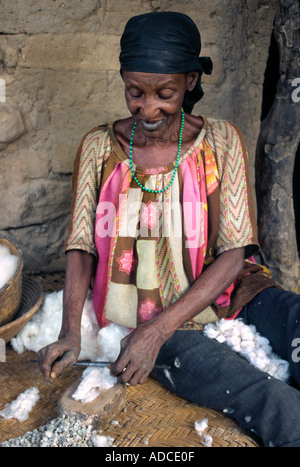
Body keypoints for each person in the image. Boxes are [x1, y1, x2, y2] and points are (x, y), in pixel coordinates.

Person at [37, 12, 300, 447]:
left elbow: (235, 254)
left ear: (191, 81)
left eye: (165, 93)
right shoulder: (99, 148)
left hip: (223, 293)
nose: (147, 108)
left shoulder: (221, 141)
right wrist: (72, 332)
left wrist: (157, 332)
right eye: (134, 92)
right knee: (269, 399)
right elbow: (81, 245)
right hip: (146, 316)